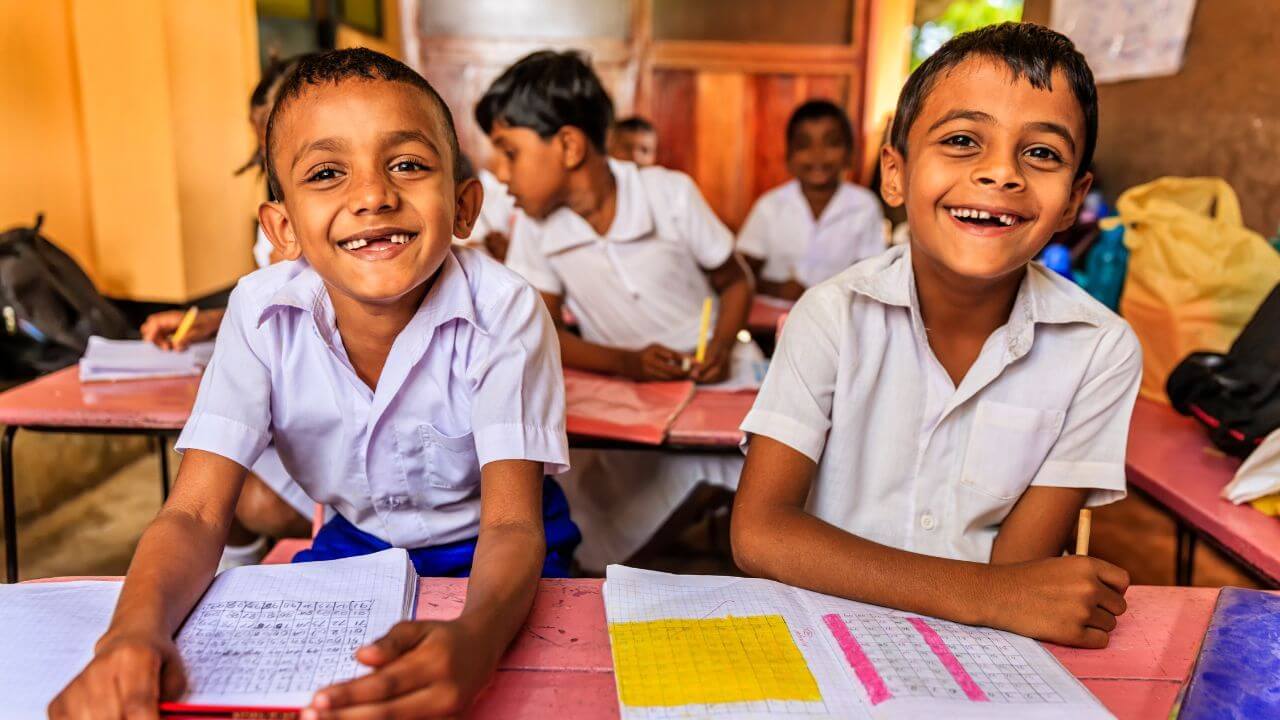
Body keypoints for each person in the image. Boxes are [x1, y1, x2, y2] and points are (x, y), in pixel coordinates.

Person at [51, 48, 578, 718]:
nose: (373, 195)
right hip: (357, 545)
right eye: (327, 173)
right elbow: (195, 513)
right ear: (283, 229)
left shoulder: (505, 310)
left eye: (408, 165)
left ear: (464, 206)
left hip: (501, 547)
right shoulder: (260, 312)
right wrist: (131, 633)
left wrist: (476, 641)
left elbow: (510, 523)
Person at [731, 23, 1140, 649]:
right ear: (895, 174)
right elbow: (760, 533)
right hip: (823, 637)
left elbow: (1018, 572)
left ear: (1072, 201)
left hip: (981, 657)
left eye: (1041, 153)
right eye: (961, 140)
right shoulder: (832, 315)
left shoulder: (1099, 349)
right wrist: (989, 595)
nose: (1001, 173)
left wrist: (1002, 595)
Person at [477, 50, 757, 570]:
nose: (502, 173)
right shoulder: (537, 229)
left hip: (717, 380)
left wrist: (720, 346)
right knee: (589, 508)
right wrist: (627, 363)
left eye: (510, 153)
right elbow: (540, 332)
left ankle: (713, 543)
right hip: (633, 394)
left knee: (746, 484)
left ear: (568, 146)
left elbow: (737, 280)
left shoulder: (667, 195)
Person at [141, 54, 315, 568]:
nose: (269, 156)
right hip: (291, 415)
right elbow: (274, 301)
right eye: (263, 145)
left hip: (333, 435)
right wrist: (210, 322)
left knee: (237, 496)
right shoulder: (274, 217)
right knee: (207, 480)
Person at [736, 100, 886, 300]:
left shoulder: (865, 206)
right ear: (789, 157)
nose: (818, 154)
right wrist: (777, 289)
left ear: (850, 154)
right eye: (804, 145)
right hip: (774, 314)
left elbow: (872, 275)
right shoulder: (770, 206)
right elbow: (739, 273)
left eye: (831, 143)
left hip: (838, 315)